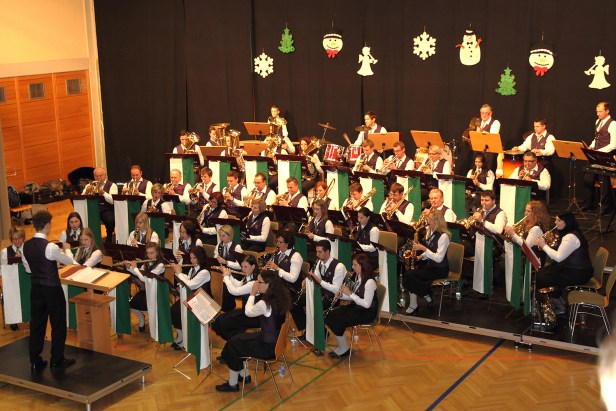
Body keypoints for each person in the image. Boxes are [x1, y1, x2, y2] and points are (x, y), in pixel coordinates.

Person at [216, 270, 292, 392]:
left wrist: (252, 293)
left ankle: (233, 384)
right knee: (238, 339)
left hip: (267, 347)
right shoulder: (281, 297)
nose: (256, 284)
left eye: (260, 282)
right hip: (276, 342)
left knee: (233, 344)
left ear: (269, 285)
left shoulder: (264, 303)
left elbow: (248, 312)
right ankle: (244, 376)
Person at [22, 210, 76, 371]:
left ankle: (35, 360)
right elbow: (70, 261)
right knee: (58, 323)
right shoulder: (51, 247)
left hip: (36, 288)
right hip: (52, 289)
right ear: (47, 226)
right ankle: (56, 359)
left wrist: (47, 266)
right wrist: (66, 248)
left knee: (37, 324)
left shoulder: (26, 245)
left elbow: (29, 268)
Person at [534, 212, 593, 314]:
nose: (555, 222)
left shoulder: (570, 237)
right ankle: (558, 299)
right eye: (556, 219)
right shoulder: (570, 233)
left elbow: (558, 257)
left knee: (542, 277)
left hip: (578, 273)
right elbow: (561, 251)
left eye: (559, 220)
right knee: (543, 272)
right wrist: (551, 242)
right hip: (573, 268)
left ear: (567, 223)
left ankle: (559, 306)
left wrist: (543, 245)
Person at [324, 252, 377, 358]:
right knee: (329, 315)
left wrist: (350, 294)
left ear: (363, 266)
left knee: (338, 319)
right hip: (357, 307)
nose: (352, 267)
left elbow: (366, 304)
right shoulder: (358, 277)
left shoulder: (369, 282)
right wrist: (341, 296)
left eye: (355, 265)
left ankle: (344, 349)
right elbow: (354, 297)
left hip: (367, 313)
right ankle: (342, 346)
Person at [292, 239, 346, 337]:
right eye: (316, 251)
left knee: (312, 306)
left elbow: (336, 289)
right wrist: (308, 280)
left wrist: (320, 281)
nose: (317, 255)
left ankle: (321, 332)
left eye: (320, 252)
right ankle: (307, 330)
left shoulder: (339, 267)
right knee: (294, 303)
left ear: (328, 252)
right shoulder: (319, 262)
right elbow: (315, 278)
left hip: (332, 298)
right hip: (319, 293)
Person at [403, 210, 450, 315]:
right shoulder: (431, 232)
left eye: (429, 219)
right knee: (410, 273)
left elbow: (438, 258)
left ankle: (416, 303)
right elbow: (431, 250)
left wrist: (423, 249)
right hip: (431, 266)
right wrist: (421, 256)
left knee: (411, 275)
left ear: (437, 221)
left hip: (440, 269)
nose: (427, 221)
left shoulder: (444, 237)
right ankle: (424, 294)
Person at [211, 255, 261, 342]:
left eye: (246, 267)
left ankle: (234, 340)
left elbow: (235, 292)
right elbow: (238, 285)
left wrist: (226, 277)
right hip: (245, 311)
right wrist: (229, 276)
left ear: (253, 267)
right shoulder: (248, 277)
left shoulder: (253, 283)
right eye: (242, 267)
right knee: (220, 318)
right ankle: (231, 339)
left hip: (253, 317)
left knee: (224, 322)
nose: (243, 269)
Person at [125, 242, 170, 338]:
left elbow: (145, 278)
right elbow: (140, 273)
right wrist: (130, 268)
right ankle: (141, 318)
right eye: (148, 253)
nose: (149, 255)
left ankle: (155, 325)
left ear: (157, 252)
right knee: (131, 304)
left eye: (152, 253)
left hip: (155, 292)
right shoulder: (146, 262)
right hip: (146, 291)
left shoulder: (160, 265)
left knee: (150, 307)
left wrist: (135, 268)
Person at [170, 246, 211, 350]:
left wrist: (179, 273)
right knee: (174, 310)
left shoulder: (204, 272)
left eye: (194, 258)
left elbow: (191, 285)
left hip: (203, 301)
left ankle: (189, 338)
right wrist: (178, 274)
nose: (192, 260)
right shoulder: (193, 269)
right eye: (191, 258)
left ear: (200, 258)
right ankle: (181, 336)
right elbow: (187, 279)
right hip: (193, 298)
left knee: (180, 311)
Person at [472, 190, 507, 296]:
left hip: (494, 244)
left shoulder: (500, 213)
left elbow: (498, 230)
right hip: (480, 240)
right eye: (482, 200)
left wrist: (482, 221)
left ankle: (486, 288)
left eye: (486, 200)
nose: (483, 203)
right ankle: (479, 286)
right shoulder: (481, 210)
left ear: (493, 201)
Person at [583, 101, 616, 213]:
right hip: (595, 154)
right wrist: (591, 147)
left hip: (605, 155)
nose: (598, 114)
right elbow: (596, 138)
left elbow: (613, 144)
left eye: (600, 111)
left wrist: (599, 152)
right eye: (597, 111)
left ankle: (605, 206)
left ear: (607, 111)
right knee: (588, 179)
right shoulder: (598, 121)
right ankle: (588, 204)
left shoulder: (613, 124)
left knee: (604, 181)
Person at [1, 227, 28, 331]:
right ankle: (13, 320)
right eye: (14, 239)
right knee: (12, 297)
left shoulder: (28, 249)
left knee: (28, 297)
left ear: (23, 238)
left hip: (26, 279)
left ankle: (29, 317)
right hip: (12, 281)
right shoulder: (5, 252)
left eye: (19, 238)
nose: (17, 241)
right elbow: (2, 269)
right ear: (11, 239)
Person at [265, 230, 304, 298]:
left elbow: (293, 279)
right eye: (277, 241)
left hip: (291, 290)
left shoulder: (296, 256)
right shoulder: (277, 252)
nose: (277, 244)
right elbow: (273, 269)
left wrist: (277, 269)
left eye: (280, 242)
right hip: (279, 286)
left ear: (287, 243)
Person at [82, 167, 117, 243]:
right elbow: (81, 199)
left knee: (110, 219)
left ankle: (109, 236)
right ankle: (90, 238)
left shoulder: (112, 185)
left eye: (101, 175)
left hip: (106, 210)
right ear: (94, 176)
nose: (98, 178)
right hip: (93, 210)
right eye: (96, 176)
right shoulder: (89, 185)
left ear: (105, 175)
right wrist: (87, 192)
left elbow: (113, 201)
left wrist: (103, 193)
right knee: (83, 216)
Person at [215, 225, 244, 312]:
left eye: (223, 236)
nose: (221, 238)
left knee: (224, 287)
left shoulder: (237, 247)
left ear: (230, 236)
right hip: (222, 271)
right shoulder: (218, 246)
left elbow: (240, 266)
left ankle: (228, 308)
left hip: (234, 273)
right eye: (220, 236)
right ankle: (217, 305)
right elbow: (215, 259)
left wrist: (226, 262)